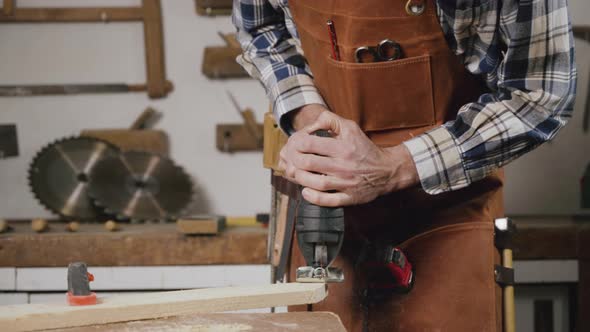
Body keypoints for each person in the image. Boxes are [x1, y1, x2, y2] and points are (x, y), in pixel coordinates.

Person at [233, 0, 576, 330]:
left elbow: (539, 95)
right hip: (327, 225)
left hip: (448, 216)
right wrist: (312, 120)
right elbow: (259, 27)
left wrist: (395, 165)